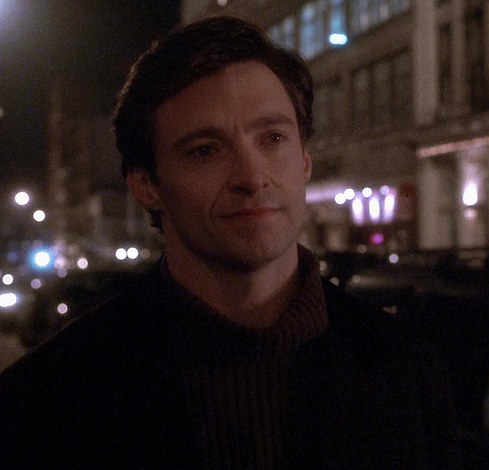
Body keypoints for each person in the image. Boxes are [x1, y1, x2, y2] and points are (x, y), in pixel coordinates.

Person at [0, 16, 461, 469]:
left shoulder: (407, 366)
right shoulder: (49, 398)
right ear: (146, 185)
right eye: (205, 150)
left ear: (304, 160)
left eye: (273, 138)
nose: (252, 177)